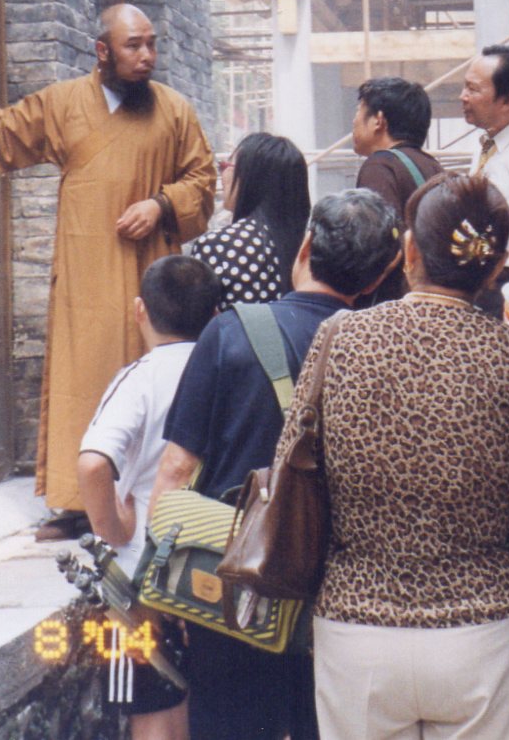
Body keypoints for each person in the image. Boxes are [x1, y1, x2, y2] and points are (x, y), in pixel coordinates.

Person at [0, 4, 216, 537]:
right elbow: (2, 138)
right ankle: (79, 503)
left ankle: (157, 498)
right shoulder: (64, 103)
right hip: (86, 276)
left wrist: (160, 204)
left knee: (154, 382)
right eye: (133, 45)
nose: (147, 56)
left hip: (151, 276)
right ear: (102, 51)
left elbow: (203, 181)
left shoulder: (175, 110)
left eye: (151, 44)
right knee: (82, 383)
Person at [305, 174, 509, 740]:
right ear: (495, 269)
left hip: (359, 623)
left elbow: (298, 474)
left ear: (409, 251)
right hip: (483, 628)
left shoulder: (340, 339)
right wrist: (486, 567)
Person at [150, 189, 404, 740]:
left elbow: (176, 468)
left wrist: (160, 572)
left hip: (233, 587)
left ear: (305, 246)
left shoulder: (230, 331)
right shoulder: (384, 351)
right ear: (379, 276)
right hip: (338, 598)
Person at [77, 254, 224, 740]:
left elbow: (93, 463)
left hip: (140, 578)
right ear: (216, 315)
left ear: (140, 310)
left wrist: (111, 528)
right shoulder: (229, 372)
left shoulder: (139, 378)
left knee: (154, 714)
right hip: (214, 571)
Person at [191, 132, 310, 304]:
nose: (222, 175)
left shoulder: (217, 246)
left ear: (251, 177)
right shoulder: (312, 247)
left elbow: (198, 315)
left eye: (224, 166)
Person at [352, 75, 445, 215]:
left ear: (378, 120)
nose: (354, 121)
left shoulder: (380, 166)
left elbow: (375, 227)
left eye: (359, 110)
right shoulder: (434, 167)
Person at [461, 43, 509, 211]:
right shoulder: (486, 144)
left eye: (473, 89)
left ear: (507, 101)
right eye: (465, 86)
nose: (463, 96)